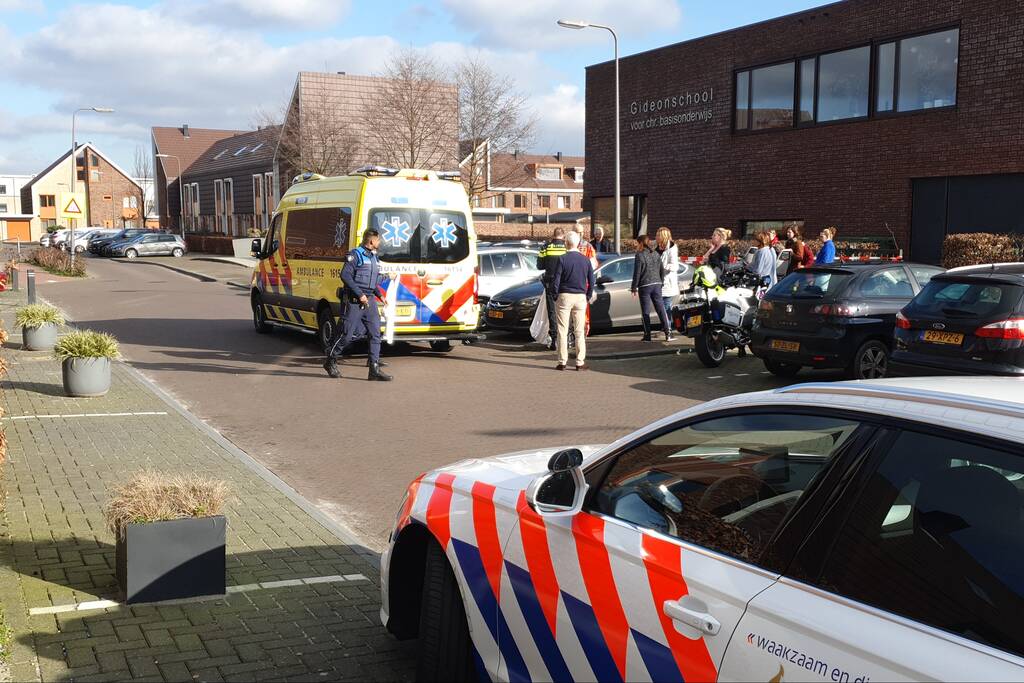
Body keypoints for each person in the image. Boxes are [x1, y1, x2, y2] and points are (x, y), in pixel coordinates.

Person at [323, 227, 393, 381]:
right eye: (378, 240)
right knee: (346, 336)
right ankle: (330, 359)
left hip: (370, 301)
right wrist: (360, 294)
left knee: (375, 334)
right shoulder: (355, 255)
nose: (379, 242)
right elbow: (345, 275)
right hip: (354, 301)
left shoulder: (374, 258)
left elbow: (372, 281)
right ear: (372, 241)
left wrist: (380, 295)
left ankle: (374, 369)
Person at [552, 231, 596, 370]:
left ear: (566, 243)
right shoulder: (585, 260)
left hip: (564, 296)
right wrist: (588, 295)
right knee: (579, 331)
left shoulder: (562, 259)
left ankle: (562, 361)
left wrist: (555, 294)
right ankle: (579, 362)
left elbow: (556, 280)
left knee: (562, 330)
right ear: (578, 243)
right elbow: (592, 280)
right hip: (580, 297)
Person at [631, 234, 673, 342]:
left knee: (646, 311)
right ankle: (668, 333)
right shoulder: (655, 254)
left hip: (645, 286)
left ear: (640, 243)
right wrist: (661, 282)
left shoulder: (639, 255)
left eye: (637, 243)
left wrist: (634, 288)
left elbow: (637, 273)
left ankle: (647, 335)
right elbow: (662, 271)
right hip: (657, 285)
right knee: (661, 309)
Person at [537, 227, 567, 350]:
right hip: (564, 284)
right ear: (563, 236)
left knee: (552, 312)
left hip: (550, 283)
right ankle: (565, 338)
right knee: (564, 311)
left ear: (553, 235)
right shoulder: (566, 247)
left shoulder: (546, 247)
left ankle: (554, 339)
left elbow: (540, 266)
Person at [655, 227, 680, 314]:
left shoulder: (672, 248)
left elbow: (674, 266)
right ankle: (665, 325)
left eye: (658, 235)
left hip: (667, 282)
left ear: (663, 236)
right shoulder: (656, 248)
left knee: (666, 307)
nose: (656, 237)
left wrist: (661, 266)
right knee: (660, 308)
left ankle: (667, 326)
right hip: (658, 281)